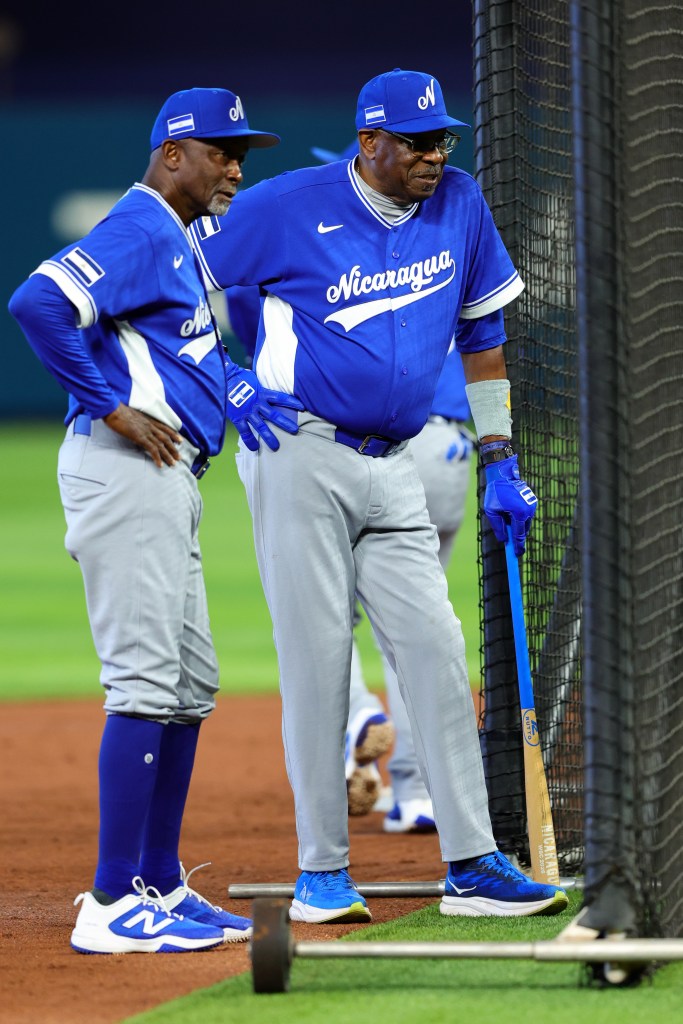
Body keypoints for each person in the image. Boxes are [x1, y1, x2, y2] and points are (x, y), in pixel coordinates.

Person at [190, 68, 568, 924]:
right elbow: (177, 279)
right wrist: (226, 380)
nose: (436, 155)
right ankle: (322, 872)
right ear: (370, 142)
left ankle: (471, 863)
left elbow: (482, 334)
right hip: (299, 455)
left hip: (397, 463)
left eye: (442, 139)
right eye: (418, 141)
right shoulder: (286, 205)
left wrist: (499, 454)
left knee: (435, 652)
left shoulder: (460, 202)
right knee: (320, 661)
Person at [8, 86, 301, 954]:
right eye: (221, 151)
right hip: (125, 472)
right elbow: (36, 303)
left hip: (166, 479)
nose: (235, 167)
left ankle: (160, 882)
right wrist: (106, 406)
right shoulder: (139, 230)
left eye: (240, 151)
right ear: (172, 154)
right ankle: (108, 904)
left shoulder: (180, 237)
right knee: (145, 683)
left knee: (189, 683)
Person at [225, 141, 475, 832]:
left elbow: (240, 309)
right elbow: (484, 332)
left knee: (318, 622)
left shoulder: (303, 223)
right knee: (420, 630)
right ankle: (416, 793)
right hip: (447, 442)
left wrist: (236, 375)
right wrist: (501, 454)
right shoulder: (447, 228)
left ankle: (356, 716)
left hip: (341, 438)